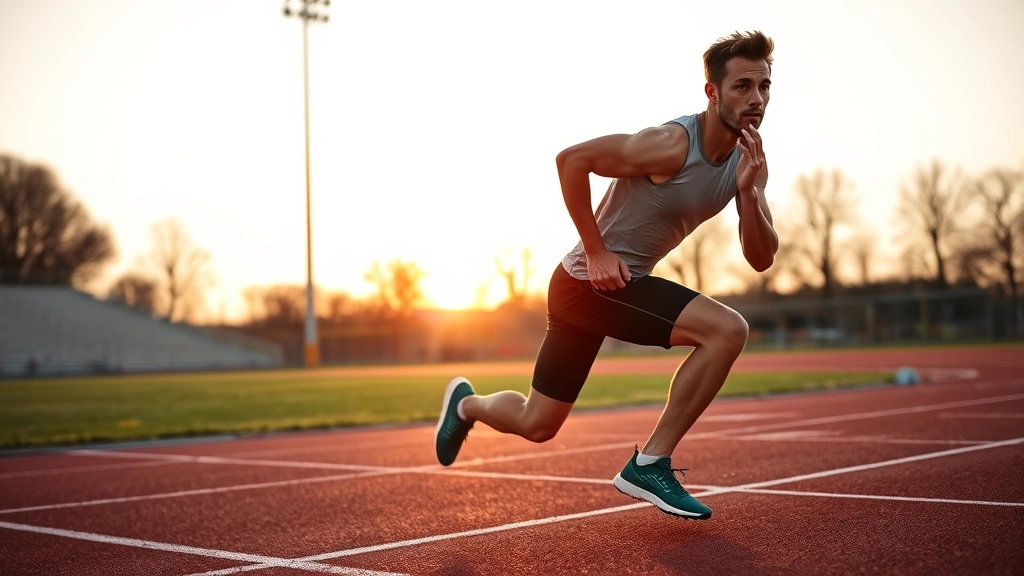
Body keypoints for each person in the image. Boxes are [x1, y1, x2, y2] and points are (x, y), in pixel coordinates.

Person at [434, 30, 778, 520]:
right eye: (742, 86)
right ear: (712, 92)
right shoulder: (670, 145)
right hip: (588, 282)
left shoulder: (749, 162)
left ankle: (466, 406)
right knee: (727, 330)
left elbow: (761, 257)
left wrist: (748, 194)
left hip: (603, 289)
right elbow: (571, 161)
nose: (756, 99)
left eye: (764, 86)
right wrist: (596, 251)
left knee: (538, 423)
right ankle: (650, 462)